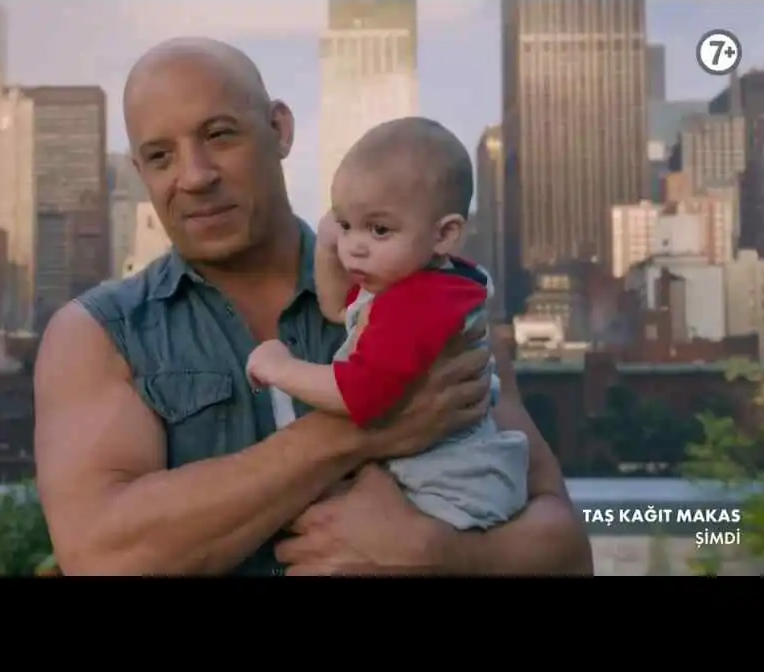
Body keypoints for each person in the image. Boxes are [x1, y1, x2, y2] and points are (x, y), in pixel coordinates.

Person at [34, 37, 593, 576]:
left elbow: (567, 552)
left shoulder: (433, 293)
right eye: (161, 156)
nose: (196, 176)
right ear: (141, 173)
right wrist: (362, 430)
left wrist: (447, 555)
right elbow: (103, 556)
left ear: (280, 129)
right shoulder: (97, 334)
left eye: (220, 135)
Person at [245, 117, 528, 532]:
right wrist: (327, 249)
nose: (354, 247)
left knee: (301, 522)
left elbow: (358, 394)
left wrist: (279, 368)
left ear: (445, 235)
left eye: (379, 229)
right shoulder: (417, 280)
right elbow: (338, 310)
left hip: (450, 491)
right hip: (447, 482)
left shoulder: (421, 303)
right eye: (346, 225)